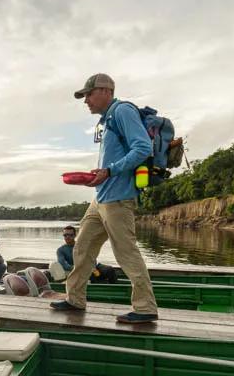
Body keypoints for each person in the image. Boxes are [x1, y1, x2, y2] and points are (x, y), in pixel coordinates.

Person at [50, 73, 158, 323]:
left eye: (88, 94)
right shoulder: (106, 120)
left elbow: (143, 147)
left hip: (119, 199)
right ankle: (75, 299)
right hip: (101, 198)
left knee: (126, 253)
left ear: (105, 91)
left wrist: (110, 171)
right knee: (82, 246)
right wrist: (97, 175)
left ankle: (145, 308)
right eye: (84, 96)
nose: (85, 100)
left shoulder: (122, 111)